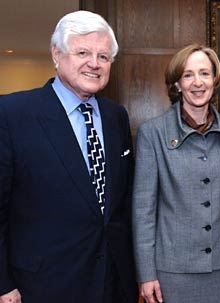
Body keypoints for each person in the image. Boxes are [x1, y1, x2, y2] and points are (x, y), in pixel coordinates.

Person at [0, 10, 138, 303]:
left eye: (104, 56)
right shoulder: (12, 114)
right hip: (43, 286)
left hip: (114, 283)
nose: (94, 63)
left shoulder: (116, 117)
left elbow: (122, 205)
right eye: (83, 52)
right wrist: (2, 284)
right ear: (56, 54)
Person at [132, 43, 220, 303]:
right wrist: (146, 273)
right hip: (172, 272)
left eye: (204, 73)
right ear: (177, 83)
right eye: (188, 75)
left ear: (215, 79)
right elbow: (143, 212)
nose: (197, 83)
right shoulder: (152, 134)